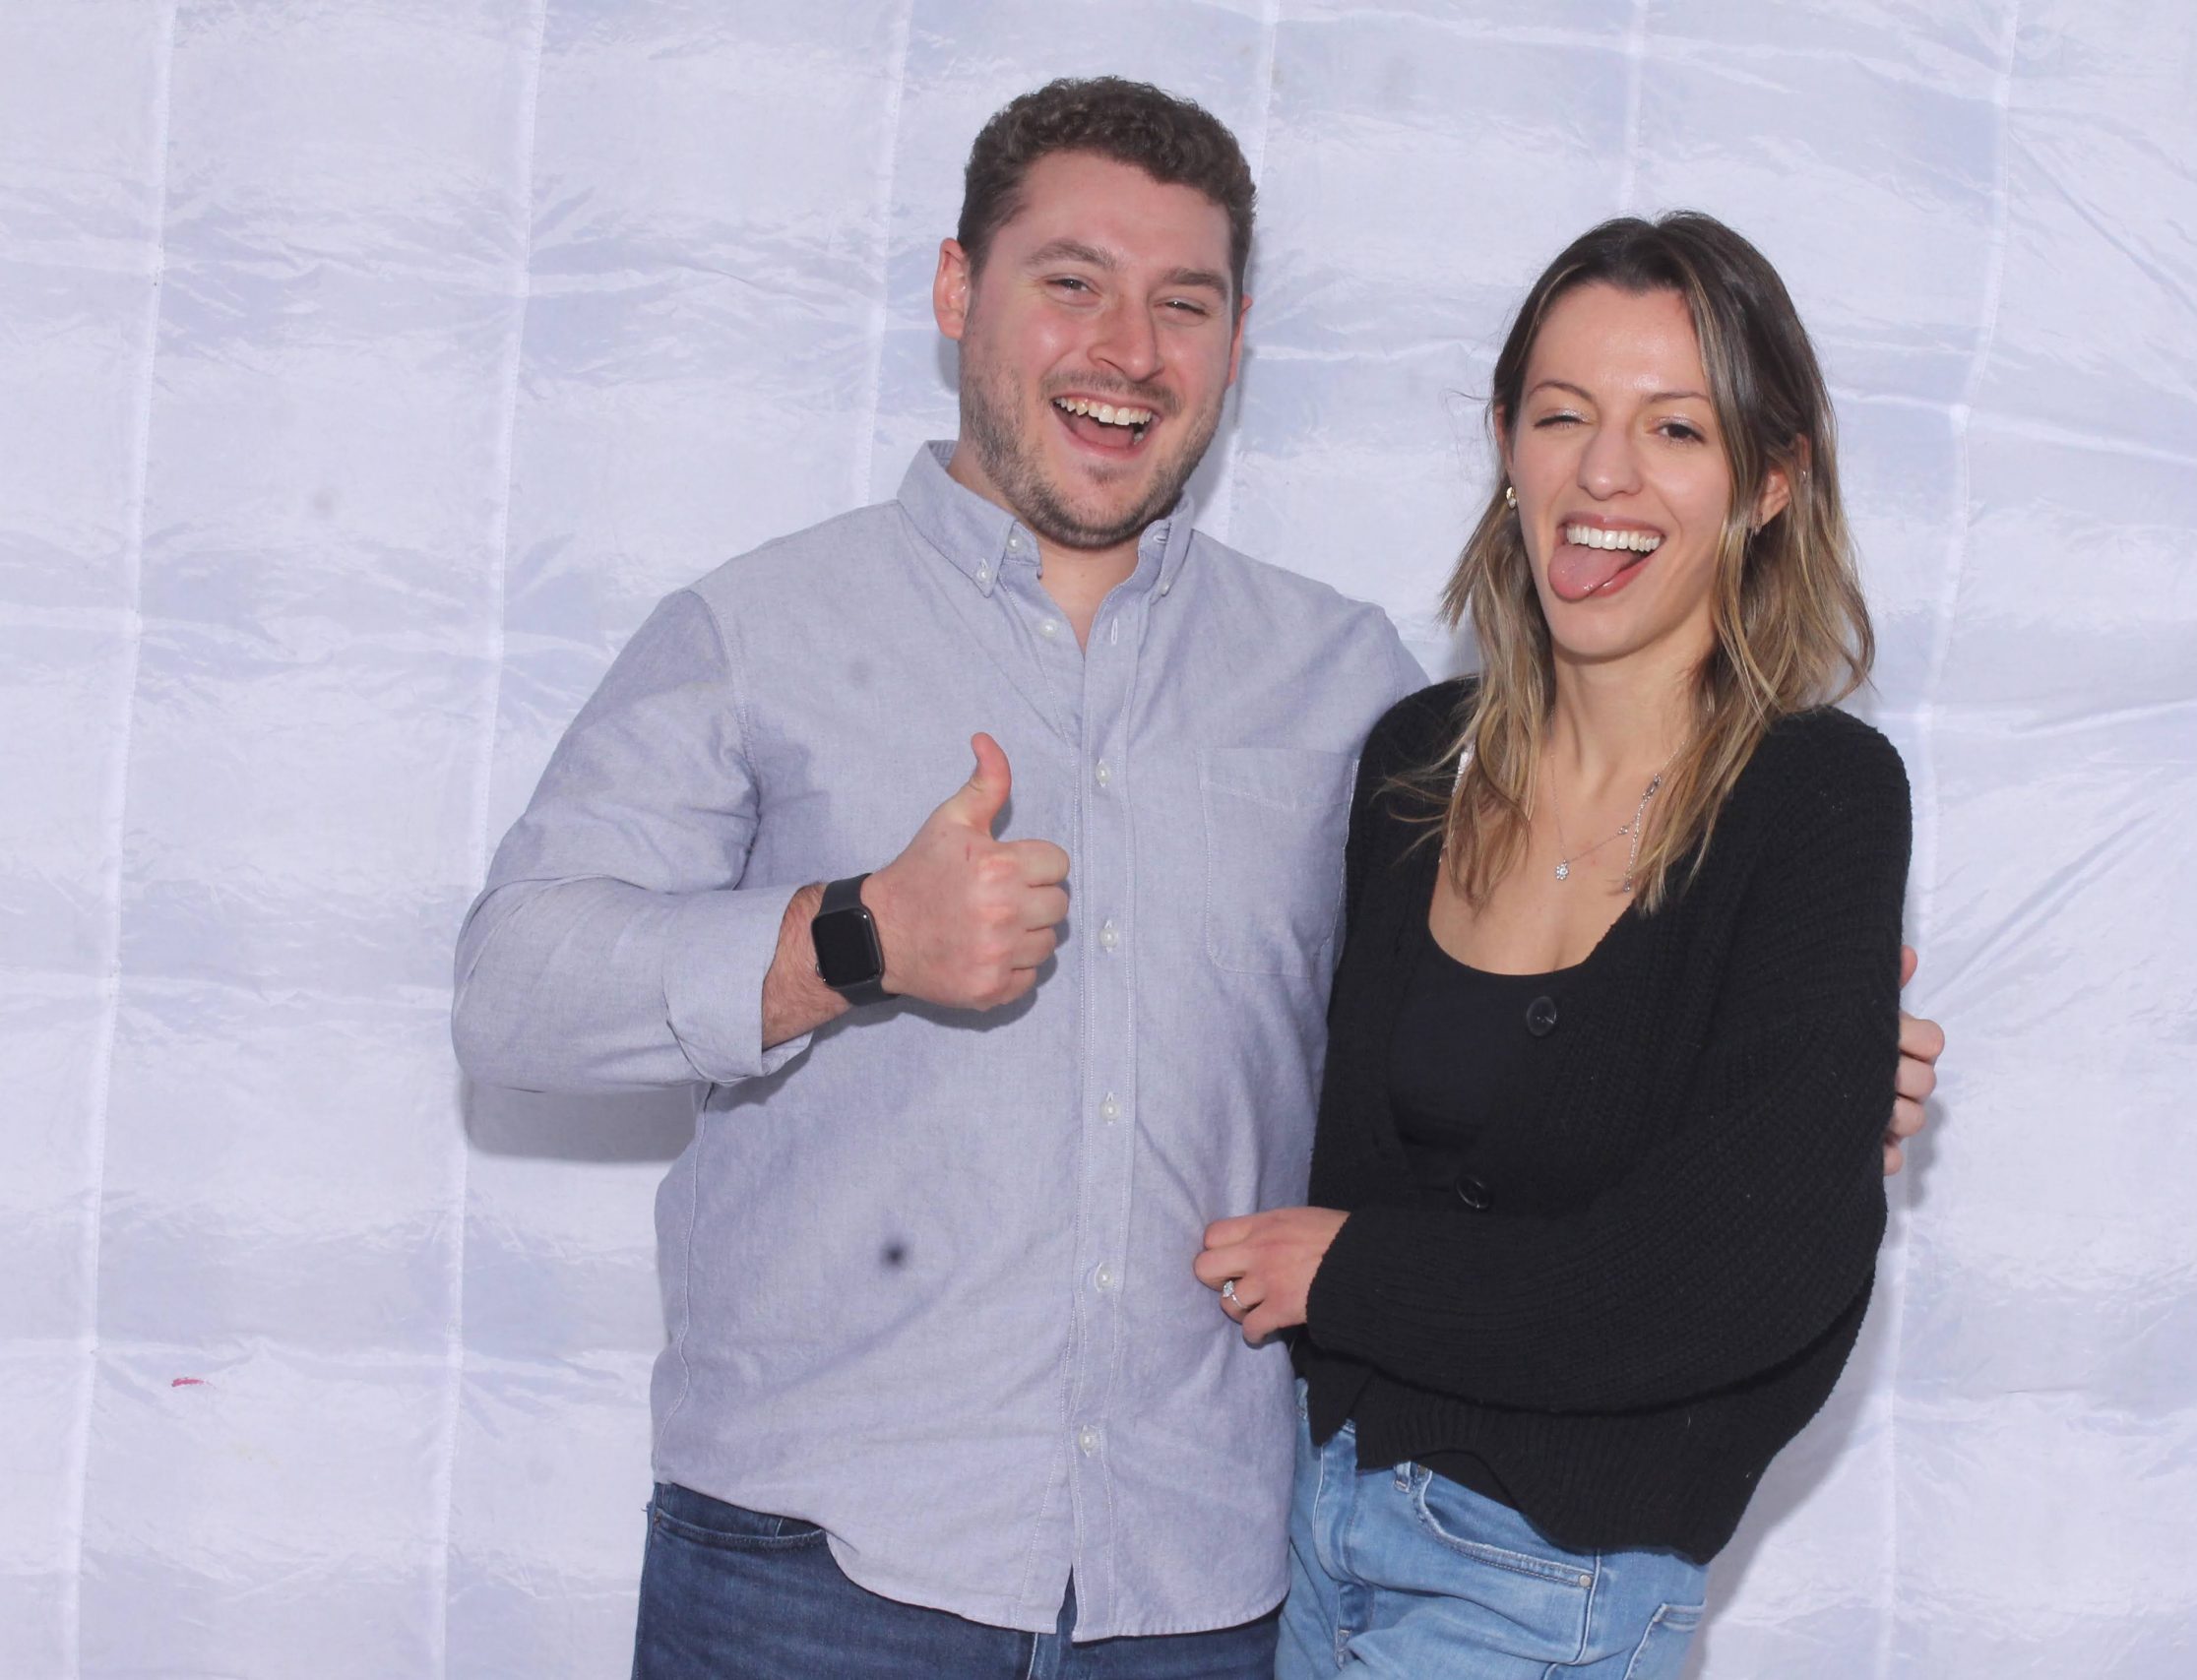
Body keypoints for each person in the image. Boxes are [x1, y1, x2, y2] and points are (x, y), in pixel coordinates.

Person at [452, 79, 1941, 1679]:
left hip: (1203, 1589)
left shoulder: (1350, 692)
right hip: (814, 1570)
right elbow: (510, 995)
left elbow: (1464, 1068)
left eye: (1184, 303)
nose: (1128, 350)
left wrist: (1787, 1095)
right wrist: (852, 938)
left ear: (1236, 347)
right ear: (957, 290)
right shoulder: (756, 632)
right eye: (1071, 282)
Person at [1194, 213, 1914, 1678]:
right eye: (1564, 415)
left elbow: (1732, 1283)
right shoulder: (1415, 766)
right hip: (1308, 1529)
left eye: (1677, 429)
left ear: (1771, 482)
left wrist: (1359, 1278)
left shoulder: (1818, 800)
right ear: (1507, 445)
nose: (1605, 475)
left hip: (1550, 1587)